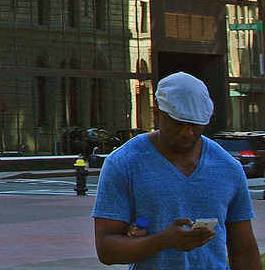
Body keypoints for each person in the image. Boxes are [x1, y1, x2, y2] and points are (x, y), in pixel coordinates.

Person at [93, 71, 259, 270]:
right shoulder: (123, 164)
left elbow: (244, 251)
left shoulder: (228, 167)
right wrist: (164, 241)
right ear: (157, 113)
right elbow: (106, 249)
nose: (187, 133)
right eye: (177, 123)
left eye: (195, 125)